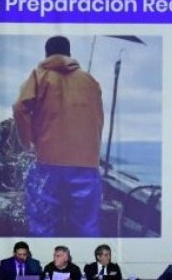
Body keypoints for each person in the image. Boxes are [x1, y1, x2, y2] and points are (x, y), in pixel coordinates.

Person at [13, 35, 105, 237]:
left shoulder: (39, 76)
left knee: (43, 224)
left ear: (47, 54)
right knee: (86, 226)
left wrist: (28, 143)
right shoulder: (91, 81)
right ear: (69, 54)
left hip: (48, 162)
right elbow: (98, 118)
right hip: (86, 164)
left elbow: (20, 108)